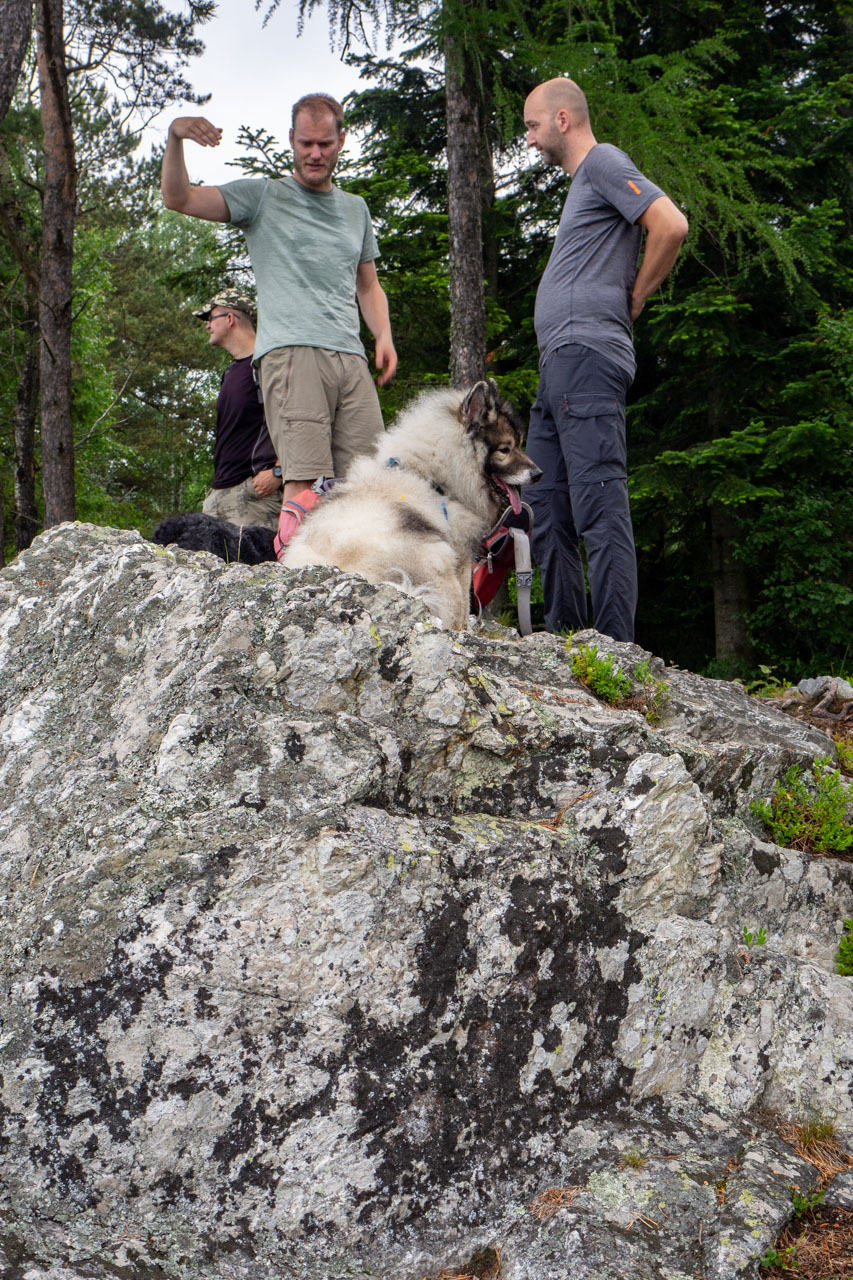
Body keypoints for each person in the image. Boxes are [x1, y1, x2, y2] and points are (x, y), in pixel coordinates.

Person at [161, 93, 397, 507]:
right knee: (305, 486)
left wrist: (383, 336)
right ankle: (301, 571)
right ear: (291, 139)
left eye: (324, 143)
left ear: (341, 140)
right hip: (291, 356)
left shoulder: (355, 210)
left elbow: (368, 286)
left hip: (351, 358)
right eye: (306, 143)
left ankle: (353, 573)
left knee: (368, 484)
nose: (315, 153)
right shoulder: (262, 198)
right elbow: (178, 198)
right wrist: (175, 136)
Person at [522, 78, 688, 642]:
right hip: (560, 367)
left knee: (598, 504)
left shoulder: (602, 162)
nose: (530, 139)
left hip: (587, 355)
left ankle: (615, 654)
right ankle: (567, 643)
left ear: (563, 119)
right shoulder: (582, 185)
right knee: (544, 506)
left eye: (533, 125)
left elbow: (671, 224)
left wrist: (634, 297)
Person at [194, 291, 282, 531]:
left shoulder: (268, 363)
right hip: (217, 494)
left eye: (211, 318)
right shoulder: (231, 372)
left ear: (230, 319)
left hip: (254, 496)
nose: (208, 326)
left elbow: (299, 417)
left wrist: (279, 470)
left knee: (257, 568)